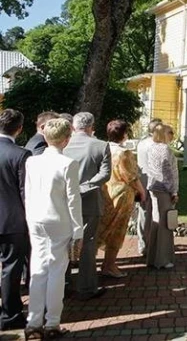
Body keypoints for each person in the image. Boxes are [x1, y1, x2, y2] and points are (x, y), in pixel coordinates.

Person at [24, 118, 83, 340]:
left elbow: (28, 194)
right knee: (56, 271)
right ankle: (52, 323)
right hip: (59, 221)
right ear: (66, 139)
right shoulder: (68, 163)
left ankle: (33, 321)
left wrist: (29, 219)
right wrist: (78, 230)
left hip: (37, 219)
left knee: (38, 269)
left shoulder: (32, 162)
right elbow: (73, 201)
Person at [63, 112, 111, 301]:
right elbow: (105, 174)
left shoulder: (63, 143)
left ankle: (64, 284)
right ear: (91, 126)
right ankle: (87, 287)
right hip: (89, 201)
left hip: (64, 201)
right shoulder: (100, 145)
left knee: (63, 243)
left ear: (74, 126)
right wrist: (86, 187)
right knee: (88, 244)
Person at [97, 120, 146, 278]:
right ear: (124, 134)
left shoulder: (102, 148)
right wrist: (142, 191)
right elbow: (131, 177)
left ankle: (100, 263)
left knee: (103, 227)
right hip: (121, 196)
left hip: (105, 192)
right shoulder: (124, 153)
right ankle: (109, 265)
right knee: (117, 231)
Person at [0, 109, 31, 332]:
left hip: (9, 218)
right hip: (13, 220)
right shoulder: (21, 154)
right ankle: (10, 314)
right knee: (11, 268)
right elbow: (25, 192)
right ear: (19, 129)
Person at [145, 124, 179, 269]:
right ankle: (163, 259)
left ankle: (153, 257)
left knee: (156, 222)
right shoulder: (165, 149)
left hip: (154, 187)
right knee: (165, 224)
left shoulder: (151, 148)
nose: (172, 135)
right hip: (164, 189)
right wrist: (173, 191)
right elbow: (168, 173)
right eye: (170, 132)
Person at [136, 118, 162, 256]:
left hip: (143, 180)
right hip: (155, 182)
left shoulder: (141, 143)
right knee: (155, 213)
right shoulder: (156, 145)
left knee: (144, 214)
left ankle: (143, 244)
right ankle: (153, 245)